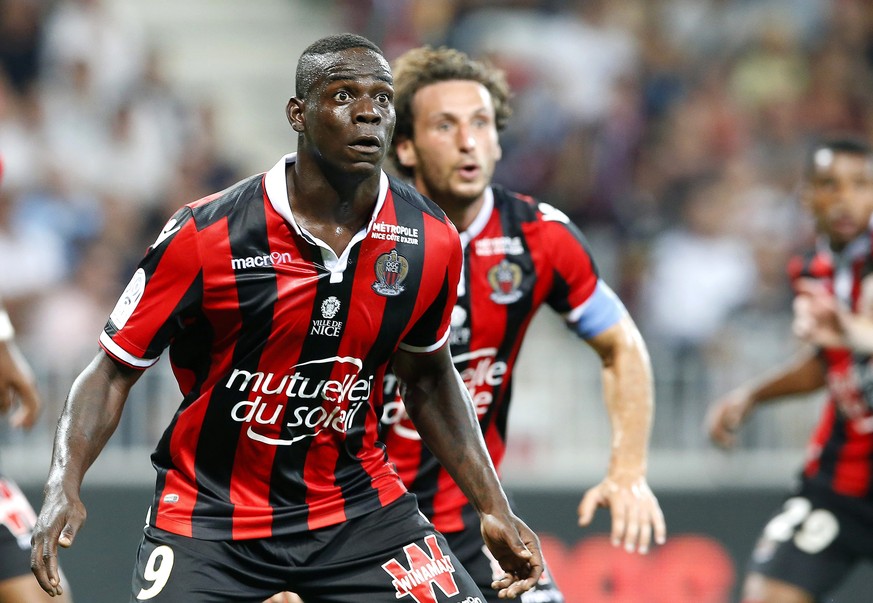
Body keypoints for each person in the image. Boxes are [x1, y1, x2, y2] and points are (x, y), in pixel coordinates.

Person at [29, 33, 543, 602]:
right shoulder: (207, 233)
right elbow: (111, 371)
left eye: (382, 97)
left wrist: (493, 506)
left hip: (357, 515)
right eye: (345, 94)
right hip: (212, 520)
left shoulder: (430, 239)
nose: (369, 111)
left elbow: (428, 375)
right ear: (298, 113)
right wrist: (63, 482)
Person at [378, 45, 666, 601]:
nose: (468, 141)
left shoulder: (540, 236)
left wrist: (628, 467)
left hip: (475, 519)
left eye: (481, 123)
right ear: (406, 146)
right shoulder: (367, 241)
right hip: (362, 524)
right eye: (445, 125)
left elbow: (622, 344)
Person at [706, 137, 873, 603]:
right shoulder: (810, 268)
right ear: (807, 198)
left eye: (861, 185)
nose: (845, 199)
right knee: (768, 595)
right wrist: (750, 396)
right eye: (830, 185)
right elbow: (828, 364)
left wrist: (852, 327)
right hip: (841, 485)